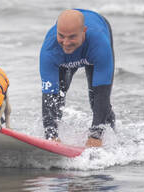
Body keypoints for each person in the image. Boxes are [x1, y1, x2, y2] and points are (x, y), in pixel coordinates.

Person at [39, 9, 115, 147]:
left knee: (95, 99)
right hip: (63, 58)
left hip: (96, 40)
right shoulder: (49, 50)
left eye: (72, 37)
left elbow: (102, 94)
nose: (66, 43)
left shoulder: (100, 44)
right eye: (61, 36)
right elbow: (48, 97)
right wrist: (51, 136)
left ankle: (113, 140)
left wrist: (95, 136)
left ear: (84, 31)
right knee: (57, 97)